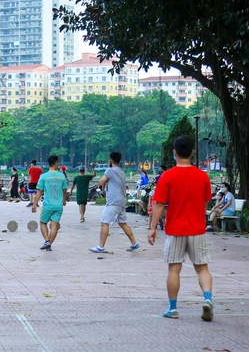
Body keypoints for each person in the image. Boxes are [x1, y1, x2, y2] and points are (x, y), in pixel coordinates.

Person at [147, 136, 214, 321]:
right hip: (197, 229)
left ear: (174, 153)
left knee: (174, 270)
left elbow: (159, 204)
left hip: (175, 229)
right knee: (202, 269)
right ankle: (208, 299)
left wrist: (153, 228)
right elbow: (204, 204)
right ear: (193, 152)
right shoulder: (202, 176)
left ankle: (173, 308)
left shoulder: (167, 176)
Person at [89, 151, 140, 253]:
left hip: (114, 201)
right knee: (122, 223)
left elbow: (101, 181)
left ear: (111, 160)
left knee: (104, 222)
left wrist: (103, 187)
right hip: (121, 200)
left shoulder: (110, 170)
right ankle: (134, 243)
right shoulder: (121, 171)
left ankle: (101, 246)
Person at [32, 155, 68, 251]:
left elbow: (39, 191)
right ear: (56, 164)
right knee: (54, 225)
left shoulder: (43, 176)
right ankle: (49, 244)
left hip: (47, 205)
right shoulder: (62, 176)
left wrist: (35, 204)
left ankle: (47, 241)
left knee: (43, 222)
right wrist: (64, 201)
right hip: (58, 205)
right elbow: (64, 191)